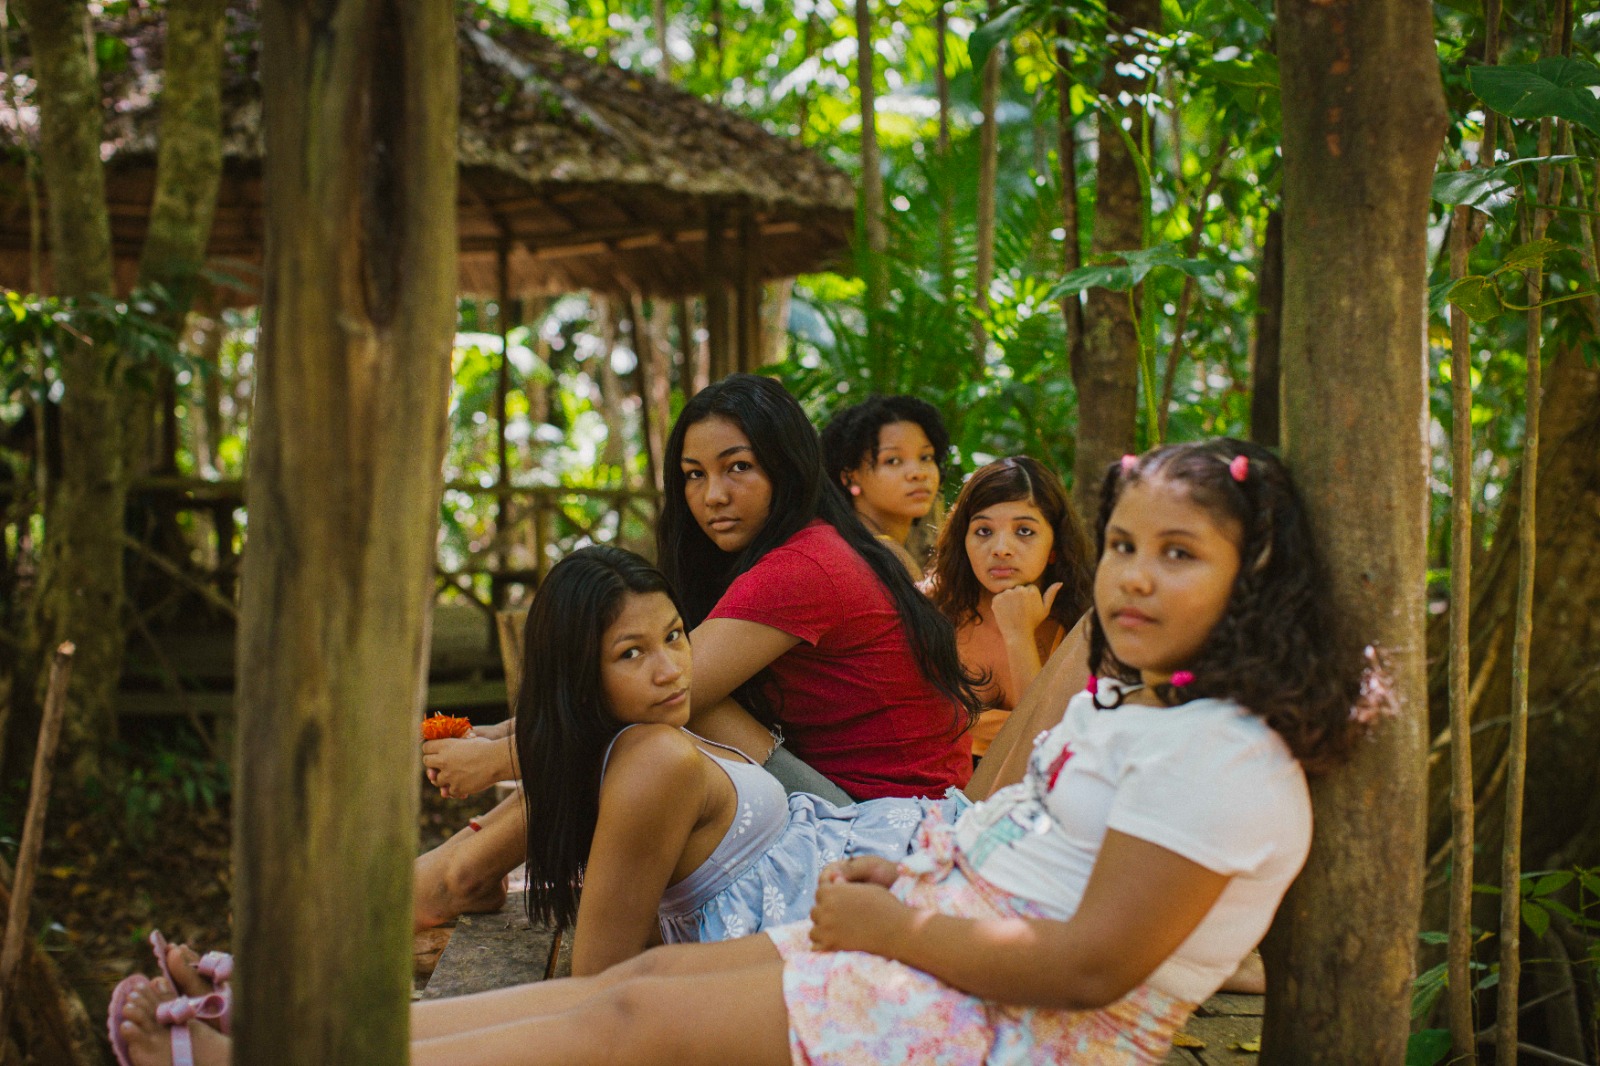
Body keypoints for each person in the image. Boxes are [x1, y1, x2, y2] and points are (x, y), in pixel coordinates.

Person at [115, 438, 1379, 1066]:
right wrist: (909, 885)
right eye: (1126, 545)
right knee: (639, 988)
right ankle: (294, 1029)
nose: (1133, 576)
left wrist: (898, 925)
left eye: (1179, 553)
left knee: (627, 1017)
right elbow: (1024, 848)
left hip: (999, 1028)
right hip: (937, 936)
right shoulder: (1150, 711)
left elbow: (1091, 962)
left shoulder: (1223, 755)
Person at [415, 375, 983, 928]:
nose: (713, 496)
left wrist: (501, 758)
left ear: (787, 466)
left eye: (739, 467)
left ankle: (462, 872)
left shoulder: (803, 567)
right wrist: (497, 735)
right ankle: (467, 865)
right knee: (665, 691)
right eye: (694, 474)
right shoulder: (815, 544)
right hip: (873, 810)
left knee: (671, 700)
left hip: (880, 831)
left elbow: (662, 691)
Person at [507, 545, 958, 974]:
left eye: (674, 636)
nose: (671, 670)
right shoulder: (655, 758)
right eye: (631, 653)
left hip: (879, 872)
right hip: (859, 921)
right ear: (578, 674)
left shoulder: (651, 733)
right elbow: (601, 971)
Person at [924, 456, 1093, 763]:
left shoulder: (1081, 626)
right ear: (963, 541)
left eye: (1024, 531)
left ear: (1055, 547)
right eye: (984, 531)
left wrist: (1019, 635)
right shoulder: (932, 608)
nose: (1001, 549)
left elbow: (1046, 747)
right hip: (939, 779)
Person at [819, 394, 950, 579]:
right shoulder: (884, 556)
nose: (918, 473)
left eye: (926, 457)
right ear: (850, 478)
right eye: (893, 460)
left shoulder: (850, 539)